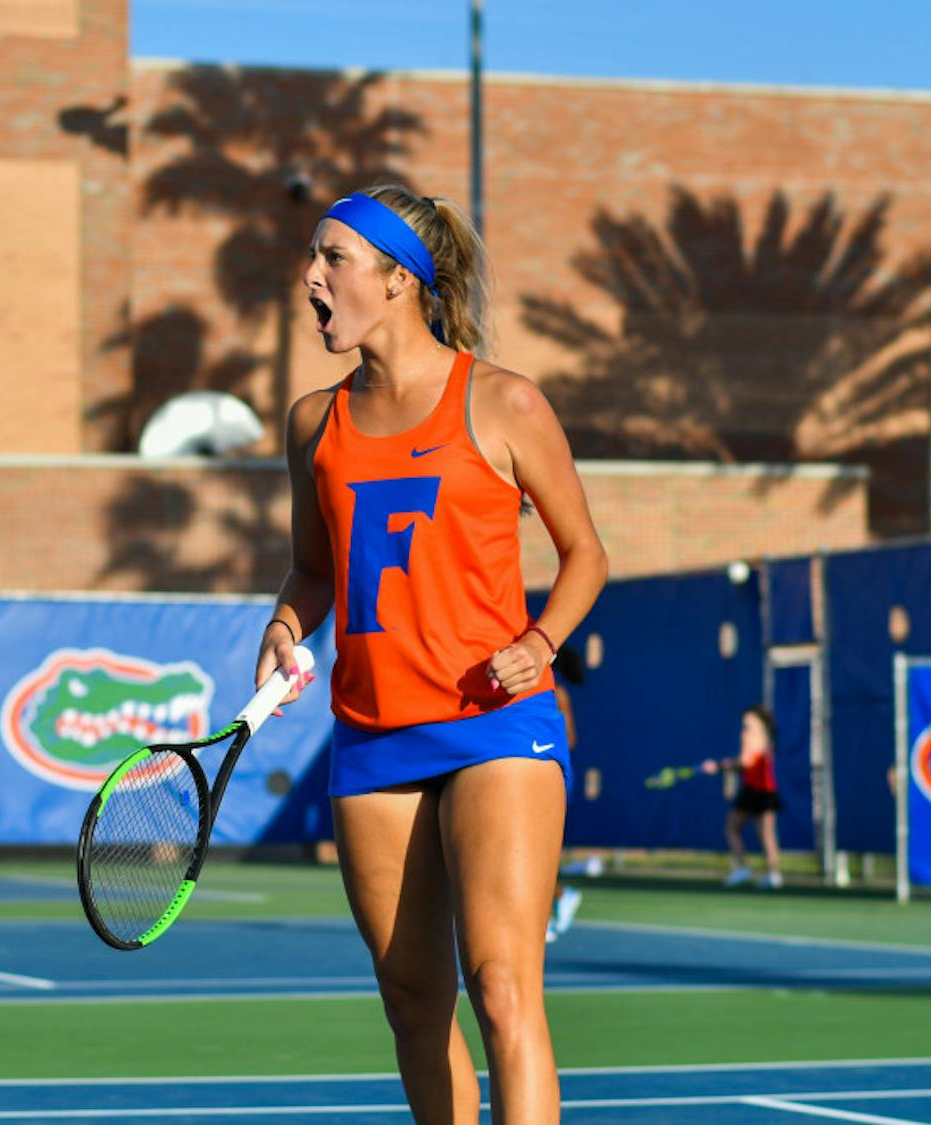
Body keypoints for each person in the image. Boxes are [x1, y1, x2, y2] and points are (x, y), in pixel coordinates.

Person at [258, 185, 608, 1125]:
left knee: (501, 988)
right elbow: (310, 570)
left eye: (333, 258)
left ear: (399, 278)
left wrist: (541, 643)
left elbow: (586, 556)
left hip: (497, 723)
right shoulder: (311, 424)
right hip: (371, 737)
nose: (311, 277)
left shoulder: (504, 402)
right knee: (414, 1003)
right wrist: (284, 629)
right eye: (314, 258)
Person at [701, 704, 783, 889]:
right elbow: (749, 762)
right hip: (766, 790)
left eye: (750, 718)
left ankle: (742, 869)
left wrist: (720, 766)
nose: (746, 722)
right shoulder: (767, 738)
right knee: (766, 834)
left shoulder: (749, 736)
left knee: (732, 828)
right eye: (745, 719)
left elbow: (745, 762)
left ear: (758, 719)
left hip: (755, 791)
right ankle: (773, 874)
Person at [545, 644, 584, 943]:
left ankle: (545, 913)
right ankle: (560, 895)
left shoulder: (557, 694)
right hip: (539, 777)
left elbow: (569, 738)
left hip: (549, 778)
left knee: (536, 852)